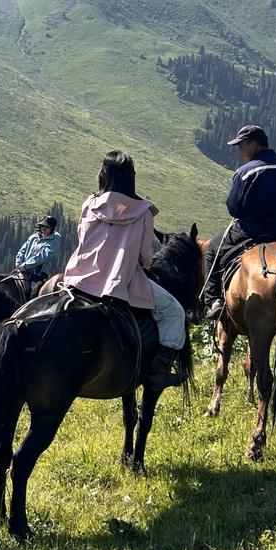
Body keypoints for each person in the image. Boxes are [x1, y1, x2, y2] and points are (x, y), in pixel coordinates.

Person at [63, 151, 187, 392]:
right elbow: (145, 256)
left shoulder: (90, 204)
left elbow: (82, 238)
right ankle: (159, 373)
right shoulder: (143, 211)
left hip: (79, 279)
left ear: (103, 174)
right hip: (120, 283)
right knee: (174, 312)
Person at [202, 124, 276, 320]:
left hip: (252, 231)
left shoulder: (246, 172)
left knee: (211, 249)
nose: (238, 149)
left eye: (240, 144)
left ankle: (213, 301)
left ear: (253, 145)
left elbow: (234, 208)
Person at [14, 215, 62, 296]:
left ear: (52, 228)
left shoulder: (54, 242)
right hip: (23, 269)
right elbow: (23, 250)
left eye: (47, 226)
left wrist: (25, 265)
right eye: (42, 225)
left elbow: (42, 257)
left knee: (32, 293)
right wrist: (18, 261)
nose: (44, 228)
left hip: (38, 274)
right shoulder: (34, 237)